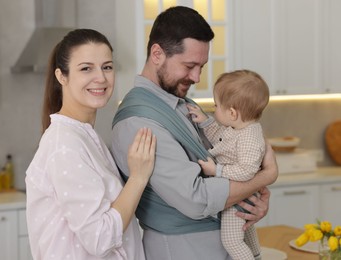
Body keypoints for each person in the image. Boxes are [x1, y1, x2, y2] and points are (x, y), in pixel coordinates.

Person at [111, 6, 278, 260]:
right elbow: (196, 198)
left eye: (201, 66)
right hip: (183, 250)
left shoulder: (181, 104)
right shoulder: (139, 121)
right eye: (189, 65)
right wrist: (265, 176)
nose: (197, 77)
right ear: (157, 54)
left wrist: (252, 201)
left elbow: (228, 155)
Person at [25, 29, 156, 260]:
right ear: (61, 76)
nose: (101, 78)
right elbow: (100, 238)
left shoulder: (83, 135)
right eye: (86, 68)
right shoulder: (65, 145)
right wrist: (138, 178)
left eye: (107, 66)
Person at [187, 69, 270, 260]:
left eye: (216, 106)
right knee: (245, 230)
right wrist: (206, 121)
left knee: (231, 240)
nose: (214, 109)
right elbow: (222, 139)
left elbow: (247, 171)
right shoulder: (238, 128)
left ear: (232, 113)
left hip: (241, 196)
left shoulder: (249, 137)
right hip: (244, 194)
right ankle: (256, 255)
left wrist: (217, 170)